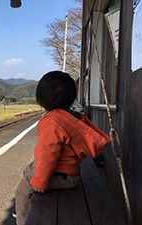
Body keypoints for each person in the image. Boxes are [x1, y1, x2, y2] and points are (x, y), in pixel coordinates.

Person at [14, 71, 111, 225]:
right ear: (71, 98)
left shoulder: (52, 122)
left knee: (23, 188)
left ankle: (22, 220)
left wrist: (39, 181)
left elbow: (48, 155)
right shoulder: (71, 117)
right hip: (70, 172)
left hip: (63, 176)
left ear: (40, 99)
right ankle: (26, 206)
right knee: (28, 170)